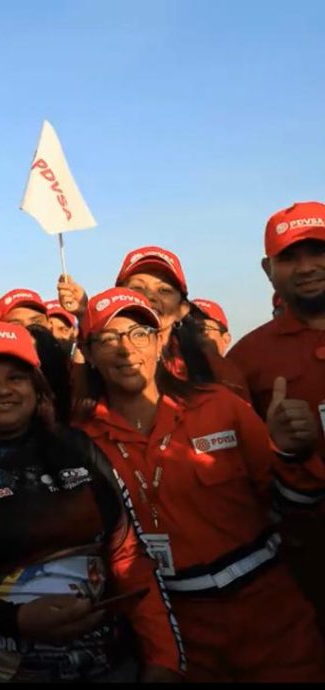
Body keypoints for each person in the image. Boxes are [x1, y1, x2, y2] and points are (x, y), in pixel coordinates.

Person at [0, 320, 184, 682]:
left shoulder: (80, 448)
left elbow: (129, 557)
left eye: (16, 378)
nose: (3, 390)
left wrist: (163, 658)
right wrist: (16, 621)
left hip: (109, 665)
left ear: (36, 387)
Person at [77, 287, 325, 681]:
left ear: (160, 342)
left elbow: (294, 505)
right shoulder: (80, 442)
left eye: (139, 333)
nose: (126, 349)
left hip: (269, 613)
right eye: (108, 338)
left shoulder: (220, 406)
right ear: (87, 354)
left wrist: (292, 453)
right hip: (175, 625)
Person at [227, 201, 325, 633]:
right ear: (268, 269)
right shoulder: (246, 359)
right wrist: (279, 447)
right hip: (307, 564)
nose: (306, 267)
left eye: (317, 251)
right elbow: (236, 477)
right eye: (289, 257)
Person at [59, 246, 250, 401]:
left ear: (183, 308)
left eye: (164, 290)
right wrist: (86, 316)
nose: (150, 296)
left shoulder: (215, 370)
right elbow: (78, 400)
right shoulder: (107, 362)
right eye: (137, 288)